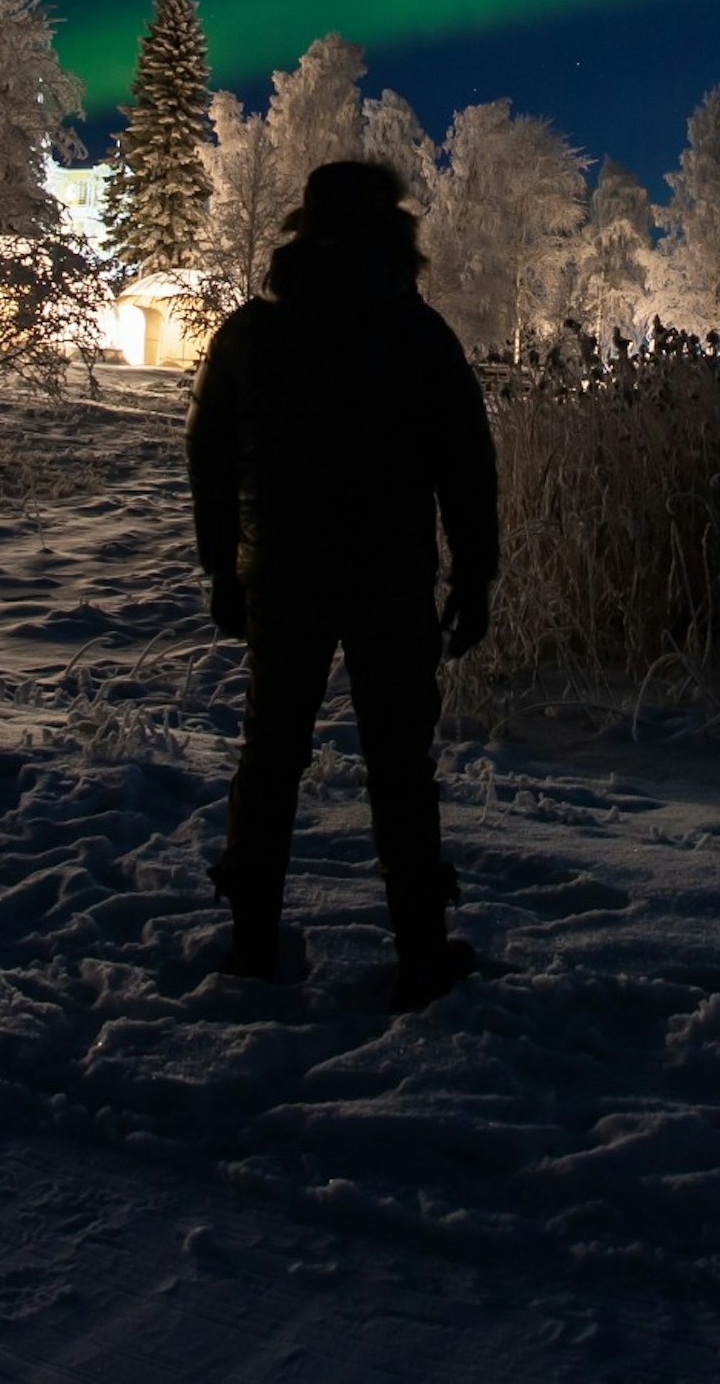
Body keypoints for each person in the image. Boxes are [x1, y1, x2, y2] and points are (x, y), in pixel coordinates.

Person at [186, 157, 499, 1010]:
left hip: (280, 576)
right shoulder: (418, 335)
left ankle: (251, 942)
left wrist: (223, 565)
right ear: (393, 232)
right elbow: (467, 463)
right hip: (388, 582)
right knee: (400, 762)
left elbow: (208, 458)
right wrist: (475, 574)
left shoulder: (249, 333)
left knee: (270, 754)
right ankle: (422, 955)